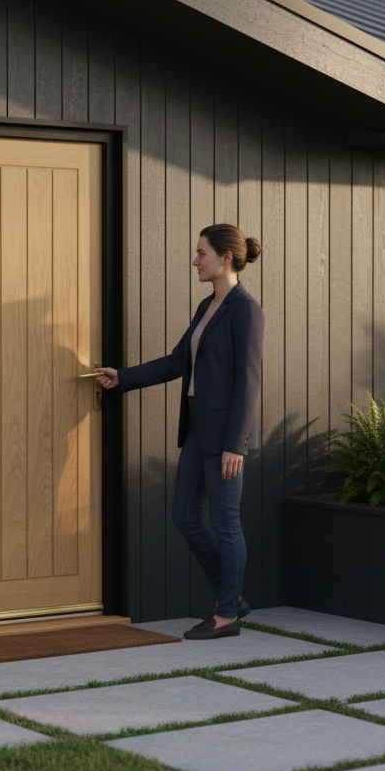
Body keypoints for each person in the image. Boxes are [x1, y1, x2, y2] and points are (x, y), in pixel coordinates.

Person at [94, 224, 264, 639]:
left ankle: (226, 616)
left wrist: (235, 444)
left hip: (225, 437)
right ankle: (232, 596)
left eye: (201, 253)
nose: (195, 261)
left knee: (225, 523)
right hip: (197, 429)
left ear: (225, 258)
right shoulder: (208, 306)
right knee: (184, 515)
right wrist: (123, 377)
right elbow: (176, 362)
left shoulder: (245, 309)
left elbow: (249, 380)